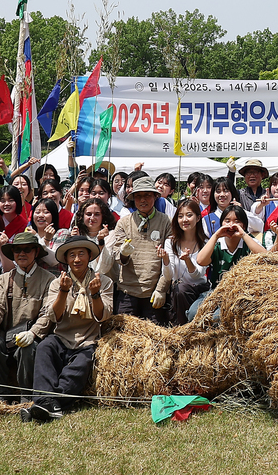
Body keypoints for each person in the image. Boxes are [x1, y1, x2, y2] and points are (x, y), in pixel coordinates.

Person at [23, 235, 112, 423]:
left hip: (88, 339)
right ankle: (48, 403)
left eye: (81, 254)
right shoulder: (57, 283)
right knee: (44, 347)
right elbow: (53, 315)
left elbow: (103, 316)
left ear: (89, 257)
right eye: (72, 255)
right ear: (66, 259)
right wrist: (63, 292)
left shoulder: (103, 281)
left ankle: (46, 404)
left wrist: (95, 295)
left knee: (80, 366)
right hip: (61, 337)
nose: (77, 259)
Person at [0, 232, 55, 401]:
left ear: (36, 252)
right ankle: (0, 395)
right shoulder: (4, 279)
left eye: (27, 249)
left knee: (29, 349)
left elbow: (48, 313)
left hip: (32, 336)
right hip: (7, 335)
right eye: (17, 250)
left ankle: (27, 397)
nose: (22, 253)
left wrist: (33, 333)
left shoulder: (49, 279)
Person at [104, 177, 174, 322]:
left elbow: (170, 260)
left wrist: (161, 289)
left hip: (153, 291)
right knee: (123, 335)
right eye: (138, 196)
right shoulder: (124, 222)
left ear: (155, 196)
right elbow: (118, 257)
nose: (143, 200)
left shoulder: (166, 221)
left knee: (154, 338)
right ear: (133, 198)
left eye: (147, 195)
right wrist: (124, 253)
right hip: (127, 291)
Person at [162, 199, 211, 326]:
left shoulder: (205, 243)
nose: (184, 220)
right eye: (180, 216)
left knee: (181, 289)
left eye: (189, 215)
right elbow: (169, 276)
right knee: (179, 289)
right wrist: (166, 261)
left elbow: (199, 275)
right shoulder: (171, 242)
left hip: (199, 291)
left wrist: (188, 261)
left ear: (198, 218)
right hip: (179, 292)